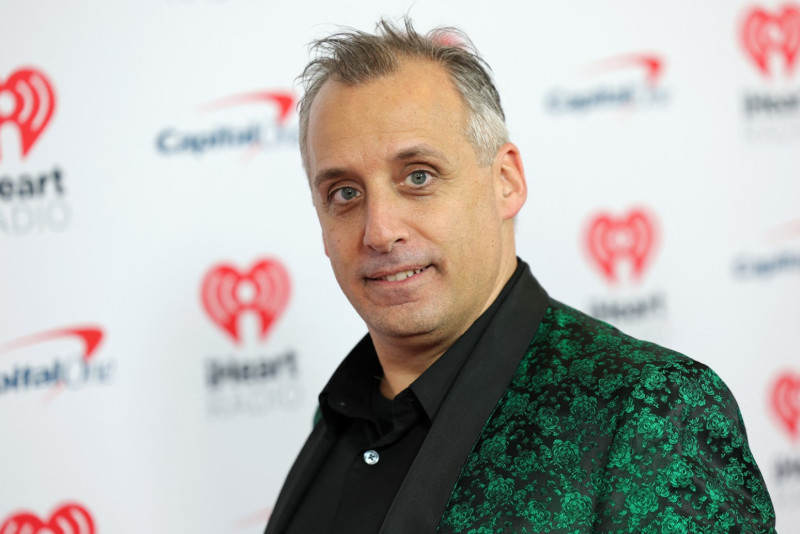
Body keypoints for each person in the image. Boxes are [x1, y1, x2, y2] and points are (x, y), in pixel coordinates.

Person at [264, 18, 776, 534]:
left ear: (505, 182)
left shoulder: (651, 411)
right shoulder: (339, 418)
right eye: (345, 193)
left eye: (418, 176)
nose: (379, 231)